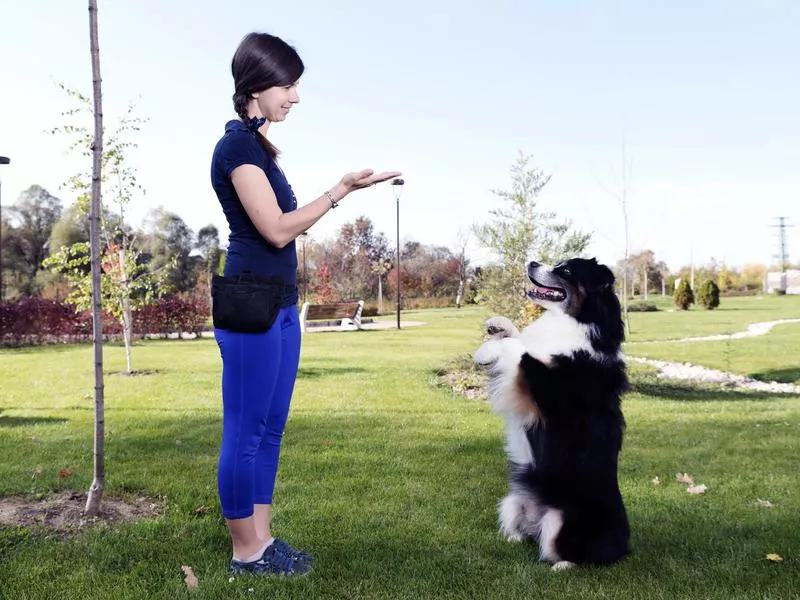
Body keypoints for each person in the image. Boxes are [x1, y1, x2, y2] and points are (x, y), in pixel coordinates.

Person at [210, 31, 400, 577]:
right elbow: (274, 229)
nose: (295, 97)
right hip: (252, 305)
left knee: (270, 427)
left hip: (280, 305)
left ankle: (263, 542)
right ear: (257, 86)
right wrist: (339, 191)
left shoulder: (260, 146)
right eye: (288, 86)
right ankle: (245, 551)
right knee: (245, 429)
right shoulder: (236, 147)